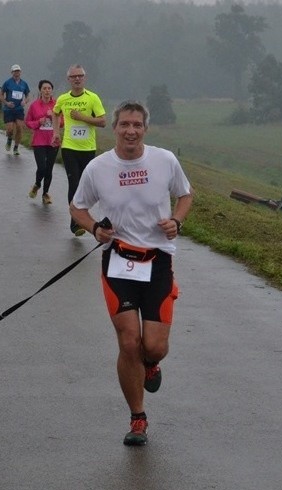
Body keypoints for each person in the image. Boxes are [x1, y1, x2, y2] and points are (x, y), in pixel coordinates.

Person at [70, 100, 194, 447]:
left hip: (157, 262)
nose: (130, 131)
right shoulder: (98, 168)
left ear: (145, 129)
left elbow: (185, 195)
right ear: (114, 128)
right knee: (128, 342)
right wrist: (95, 228)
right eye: (124, 124)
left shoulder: (164, 160)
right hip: (119, 261)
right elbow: (77, 207)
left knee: (152, 346)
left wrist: (177, 221)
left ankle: (151, 363)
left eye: (137, 125)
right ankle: (137, 418)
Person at [52, 64, 107, 235]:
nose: (77, 79)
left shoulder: (93, 98)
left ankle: (80, 215)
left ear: (85, 78)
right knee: (74, 184)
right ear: (68, 79)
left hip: (88, 149)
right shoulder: (63, 99)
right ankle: (75, 222)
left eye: (80, 76)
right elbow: (55, 113)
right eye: (73, 76)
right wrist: (56, 132)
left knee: (87, 187)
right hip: (69, 147)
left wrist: (82, 117)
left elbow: (103, 121)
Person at [25, 80, 60, 205]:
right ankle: (37, 184)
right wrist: (38, 122)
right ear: (40, 90)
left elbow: (63, 122)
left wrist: (53, 117)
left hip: (53, 140)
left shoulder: (57, 104)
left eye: (49, 88)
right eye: (44, 88)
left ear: (52, 90)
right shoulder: (34, 105)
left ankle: (45, 194)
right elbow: (28, 122)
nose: (47, 91)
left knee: (49, 169)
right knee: (42, 167)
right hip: (39, 141)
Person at [0, 64, 31, 156]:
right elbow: (0, 94)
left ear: (20, 72)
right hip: (9, 109)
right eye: (15, 71)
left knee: (20, 128)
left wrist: (25, 101)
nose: (17, 73)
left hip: (19, 109)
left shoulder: (24, 84)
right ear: (12, 72)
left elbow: (28, 95)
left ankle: (16, 147)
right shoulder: (7, 83)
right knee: (10, 130)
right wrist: (6, 103)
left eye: (18, 71)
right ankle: (9, 139)